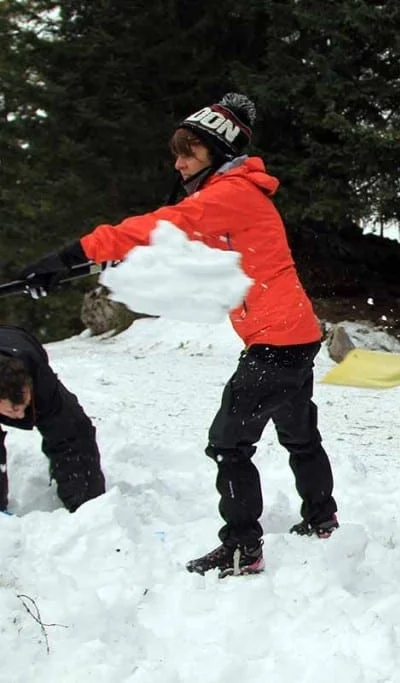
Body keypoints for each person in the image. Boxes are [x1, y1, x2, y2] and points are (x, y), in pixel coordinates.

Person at [17, 93, 339, 578]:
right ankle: (321, 520)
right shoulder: (238, 196)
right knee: (300, 435)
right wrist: (93, 261)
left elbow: (159, 228)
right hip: (292, 335)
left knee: (229, 445)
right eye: (178, 149)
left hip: (276, 341)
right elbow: (178, 244)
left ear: (220, 153)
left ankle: (242, 548)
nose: (179, 161)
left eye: (190, 151)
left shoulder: (231, 194)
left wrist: (67, 255)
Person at [0, 325, 105, 513]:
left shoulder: (41, 383)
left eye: (24, 406)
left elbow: (72, 440)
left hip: (16, 342)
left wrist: (87, 509)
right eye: (12, 411)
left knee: (74, 429)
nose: (21, 416)